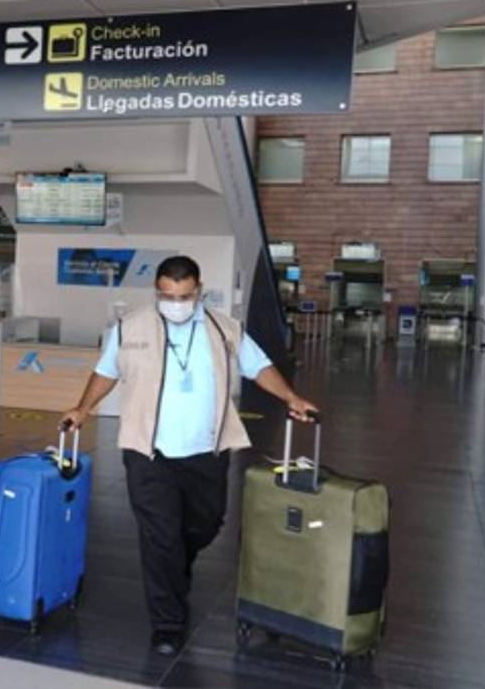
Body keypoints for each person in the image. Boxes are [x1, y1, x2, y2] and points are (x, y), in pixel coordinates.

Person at [60, 256, 318, 657]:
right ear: (157, 292)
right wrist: (82, 408)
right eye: (166, 295)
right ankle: (168, 624)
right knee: (160, 536)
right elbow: (106, 371)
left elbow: (259, 365)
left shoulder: (223, 327)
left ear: (198, 291)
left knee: (205, 525)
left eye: (182, 295)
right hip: (149, 451)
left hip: (207, 450)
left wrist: (291, 397)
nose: (174, 302)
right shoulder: (130, 329)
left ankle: (175, 564)